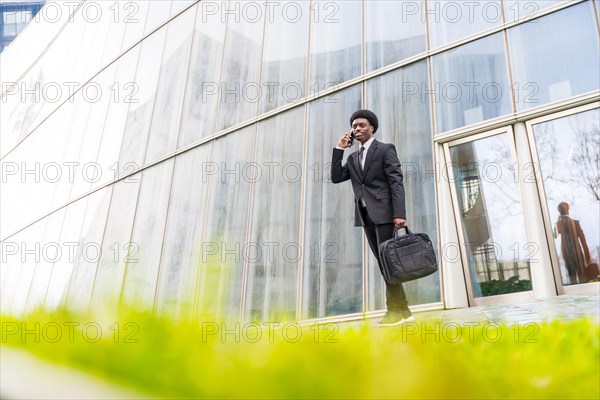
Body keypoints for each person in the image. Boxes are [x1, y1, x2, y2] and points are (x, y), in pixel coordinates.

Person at [331, 109, 412, 327]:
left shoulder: (385, 149)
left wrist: (399, 213)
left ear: (372, 128)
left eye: (362, 125)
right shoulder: (353, 157)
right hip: (365, 215)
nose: (357, 128)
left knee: (387, 262)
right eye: (354, 126)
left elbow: (396, 181)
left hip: (386, 214)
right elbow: (336, 177)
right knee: (384, 262)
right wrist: (339, 148)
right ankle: (403, 310)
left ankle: (394, 311)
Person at [555, 202, 591, 284]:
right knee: (581, 278)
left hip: (568, 254)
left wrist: (559, 220)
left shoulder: (559, 224)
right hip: (575, 254)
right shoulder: (574, 223)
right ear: (568, 210)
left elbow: (555, 235)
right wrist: (587, 257)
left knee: (573, 279)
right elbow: (583, 242)